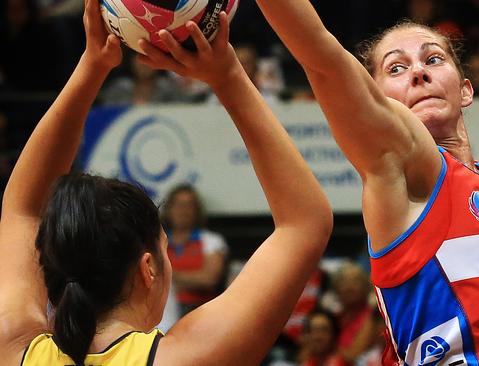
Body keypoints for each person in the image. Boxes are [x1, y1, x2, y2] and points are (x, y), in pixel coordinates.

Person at [0, 1, 332, 365]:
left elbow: (23, 208)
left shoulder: (17, 351)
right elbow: (305, 222)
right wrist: (228, 76)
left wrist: (91, 65)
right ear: (148, 269)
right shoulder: (184, 359)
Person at [253, 1, 479, 364]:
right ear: (376, 101)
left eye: (433, 59)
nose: (418, 72)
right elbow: (323, 58)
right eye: (397, 68)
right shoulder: (401, 170)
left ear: (465, 90)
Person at [161, 184, 229, 318]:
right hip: (161, 314)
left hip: (199, 312)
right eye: (178, 205)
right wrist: (190, 278)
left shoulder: (211, 241)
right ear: (168, 209)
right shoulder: (156, 242)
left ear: (196, 210)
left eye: (189, 205)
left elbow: (209, 279)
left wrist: (167, 276)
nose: (183, 211)